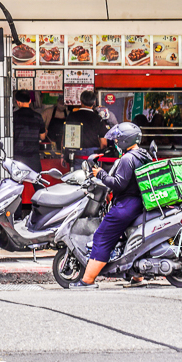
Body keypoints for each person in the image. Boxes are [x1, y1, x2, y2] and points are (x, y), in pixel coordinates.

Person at [67, 122, 153, 289]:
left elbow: (118, 184)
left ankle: (87, 280)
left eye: (117, 140)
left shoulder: (128, 159)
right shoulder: (143, 155)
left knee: (102, 237)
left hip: (126, 206)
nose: (115, 143)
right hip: (139, 204)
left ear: (124, 141)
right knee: (130, 240)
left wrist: (100, 173)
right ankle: (137, 277)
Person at [67, 90, 108, 162]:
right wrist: (101, 155)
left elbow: (65, 136)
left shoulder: (72, 116)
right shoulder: (98, 118)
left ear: (81, 101)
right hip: (93, 152)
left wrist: (62, 155)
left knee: (77, 173)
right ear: (94, 102)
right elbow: (103, 142)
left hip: (76, 152)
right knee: (92, 172)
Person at [12, 89, 47, 173]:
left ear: (18, 102)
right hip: (33, 156)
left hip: (18, 156)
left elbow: (12, 135)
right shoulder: (38, 116)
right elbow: (42, 136)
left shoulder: (14, 116)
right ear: (30, 101)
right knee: (37, 183)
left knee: (16, 183)